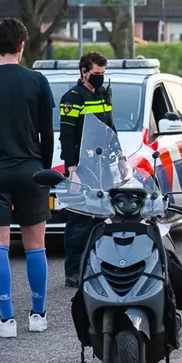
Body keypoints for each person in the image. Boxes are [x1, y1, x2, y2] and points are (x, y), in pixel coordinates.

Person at [0, 18, 55, 337]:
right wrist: (44, 168)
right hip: (31, 171)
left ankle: (7, 320)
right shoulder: (37, 81)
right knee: (36, 244)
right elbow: (46, 133)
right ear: (22, 46)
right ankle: (38, 314)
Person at [59, 51, 124, 287]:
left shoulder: (103, 95)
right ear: (84, 72)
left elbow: (110, 128)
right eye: (97, 74)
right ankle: (74, 272)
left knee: (101, 220)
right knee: (79, 222)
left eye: (103, 74)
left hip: (103, 167)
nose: (100, 78)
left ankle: (97, 267)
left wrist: (122, 158)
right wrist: (71, 169)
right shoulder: (72, 98)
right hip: (83, 169)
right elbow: (67, 137)